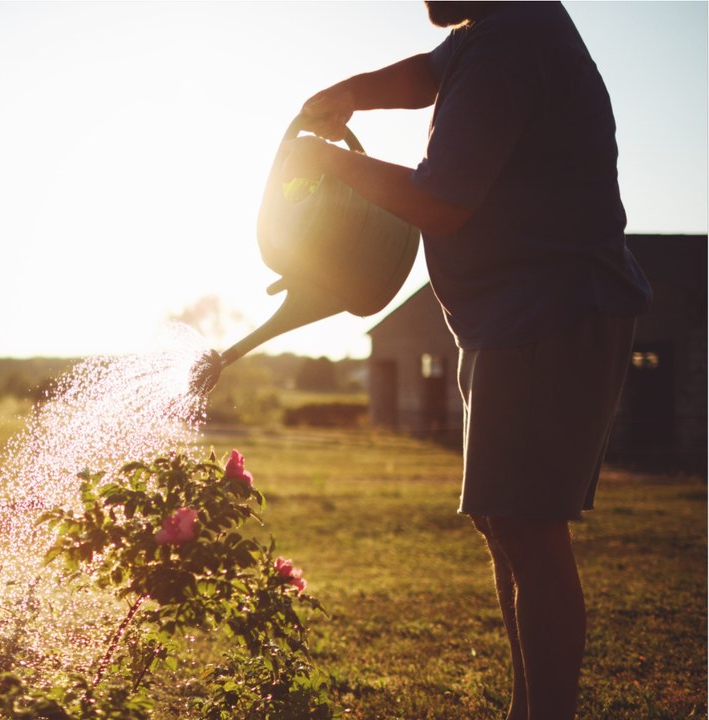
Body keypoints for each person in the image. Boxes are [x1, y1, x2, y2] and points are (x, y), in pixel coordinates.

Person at [275, 3, 652, 719]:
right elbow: (427, 73)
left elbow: (441, 203)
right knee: (505, 523)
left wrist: (330, 162)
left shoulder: (511, 39)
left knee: (529, 529)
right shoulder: (492, 29)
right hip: (511, 319)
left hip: (549, 311)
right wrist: (350, 94)